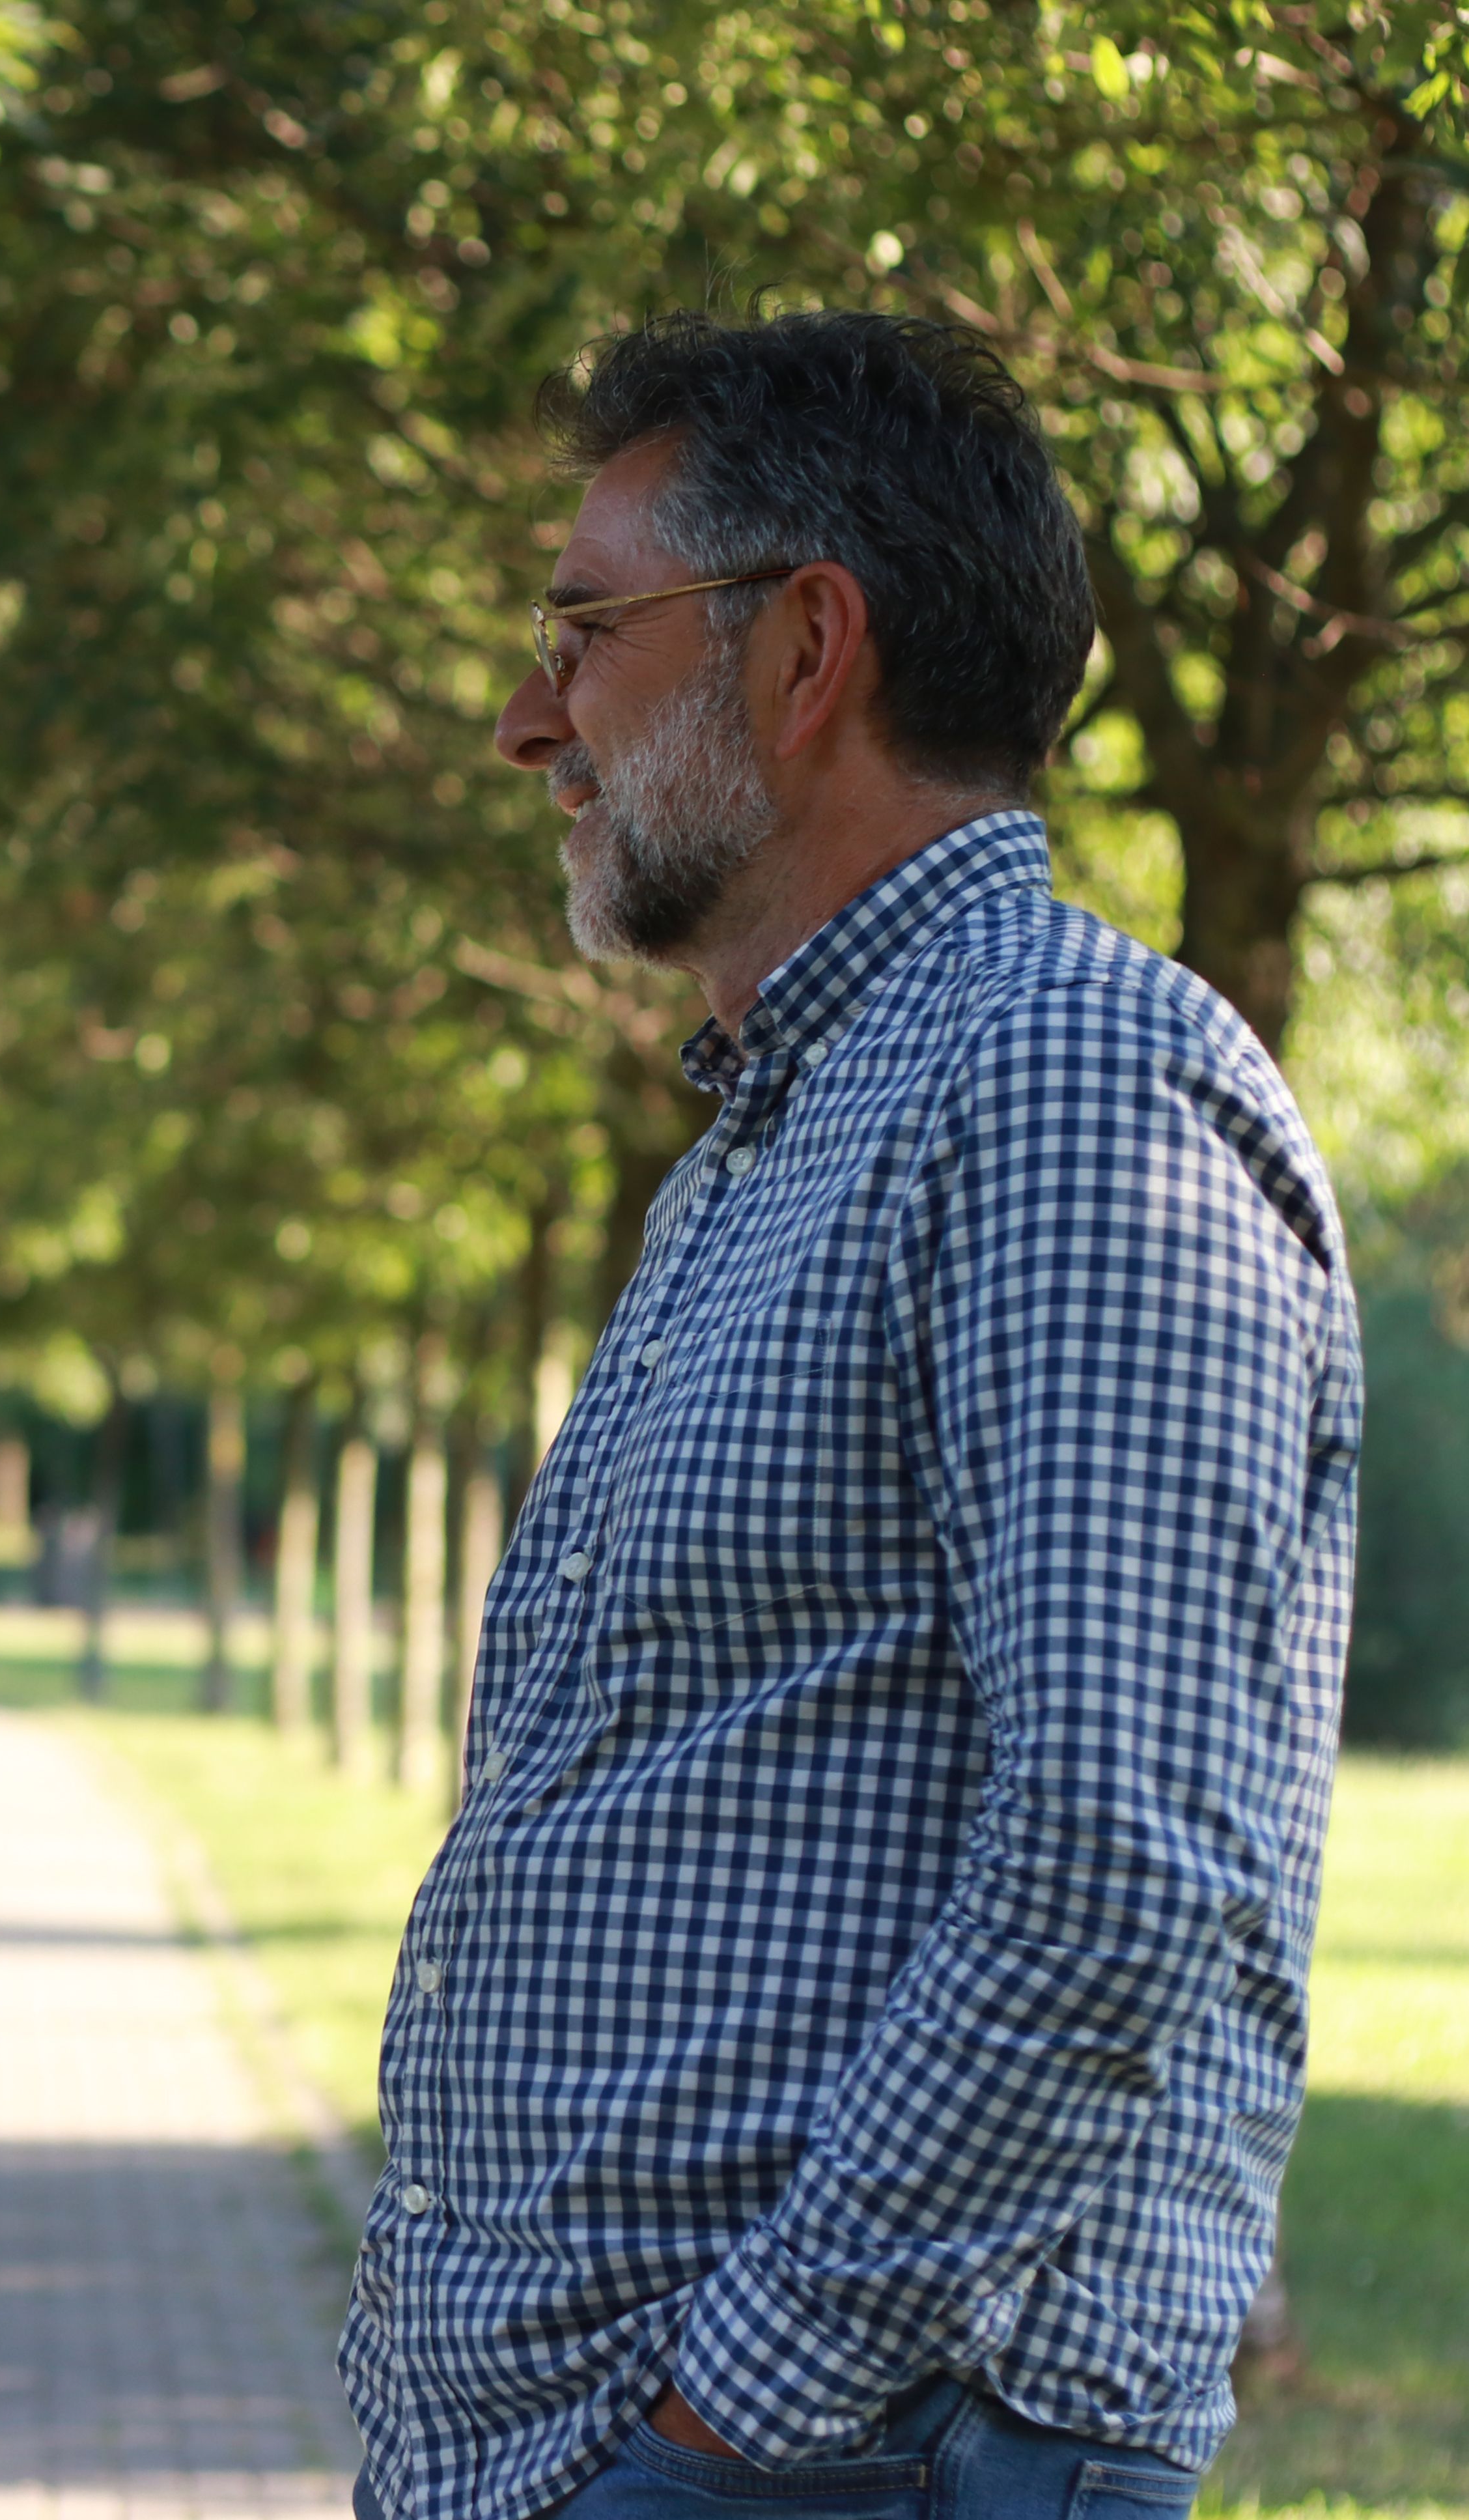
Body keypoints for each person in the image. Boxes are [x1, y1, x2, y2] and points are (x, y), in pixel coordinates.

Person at [343, 312, 1360, 2520]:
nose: (531, 720)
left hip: (842, 2468)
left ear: (804, 650)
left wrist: (742, 2413)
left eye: (582, 633)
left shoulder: (1072, 1089)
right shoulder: (775, 1136)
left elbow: (1120, 1856)